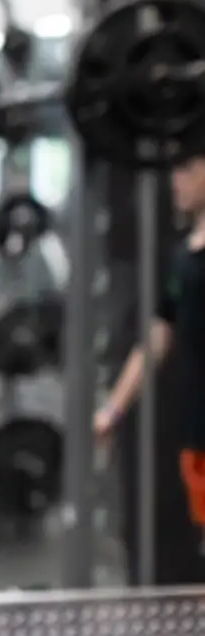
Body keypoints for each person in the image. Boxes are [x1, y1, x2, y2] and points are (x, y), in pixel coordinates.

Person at [95, 155, 205, 531]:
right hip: (196, 431)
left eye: (187, 169)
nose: (176, 181)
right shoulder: (183, 259)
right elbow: (156, 339)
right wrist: (112, 411)